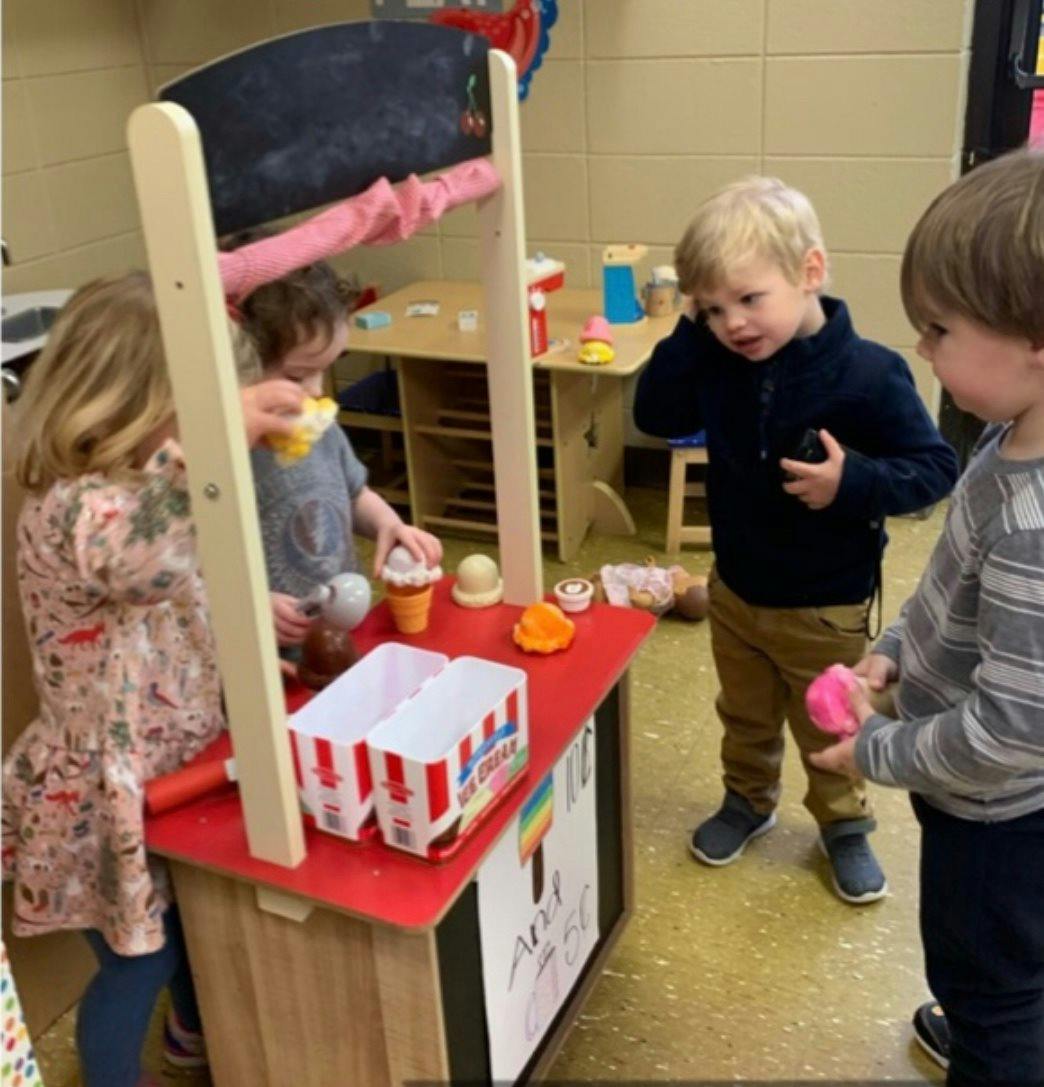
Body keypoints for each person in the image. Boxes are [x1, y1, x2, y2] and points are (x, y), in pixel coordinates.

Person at [1, 271, 304, 1087]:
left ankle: (191, 1040)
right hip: (102, 799)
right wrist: (208, 445)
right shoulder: (74, 507)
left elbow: (178, 588)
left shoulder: (143, 491)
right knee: (139, 961)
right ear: (132, 404)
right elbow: (142, 562)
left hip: (174, 765)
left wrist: (238, 642)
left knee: (192, 933)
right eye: (198, 406)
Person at [633, 176, 959, 904]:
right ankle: (747, 799)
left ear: (810, 272)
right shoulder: (715, 358)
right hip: (737, 589)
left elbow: (936, 467)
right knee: (743, 711)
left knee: (830, 721)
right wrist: (689, 327)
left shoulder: (872, 373)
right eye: (714, 308)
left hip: (825, 605)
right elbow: (655, 411)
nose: (734, 323)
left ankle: (844, 824)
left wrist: (853, 483)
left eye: (749, 299)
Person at [812, 148, 1044, 1084]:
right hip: (991, 795)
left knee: (992, 983)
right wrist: (897, 652)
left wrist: (871, 752)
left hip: (997, 818)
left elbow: (1006, 733)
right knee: (1009, 970)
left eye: (940, 329)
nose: (922, 349)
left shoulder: (1037, 526)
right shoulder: (1009, 434)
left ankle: (995, 1047)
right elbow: (955, 584)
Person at [229, 243, 442, 649]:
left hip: (337, 634)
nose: (315, 392)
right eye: (296, 377)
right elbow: (191, 572)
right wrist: (250, 606)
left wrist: (388, 524)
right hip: (264, 650)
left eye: (324, 371)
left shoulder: (323, 433)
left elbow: (354, 492)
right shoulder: (217, 464)